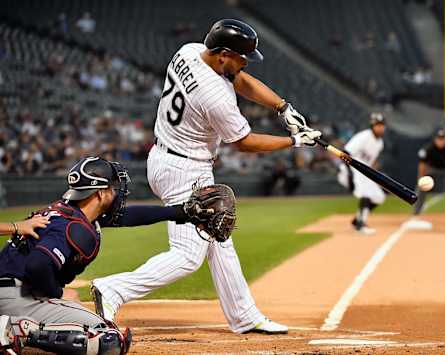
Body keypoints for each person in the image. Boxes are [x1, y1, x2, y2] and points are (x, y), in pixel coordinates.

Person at [91, 18, 322, 335]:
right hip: (186, 171)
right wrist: (293, 141)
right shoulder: (215, 96)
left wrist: (282, 107)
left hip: (166, 157)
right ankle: (114, 289)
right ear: (224, 54)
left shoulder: (191, 51)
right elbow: (243, 142)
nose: (244, 63)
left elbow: (240, 80)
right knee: (188, 256)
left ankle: (244, 316)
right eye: (241, 57)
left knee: (219, 239)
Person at [0, 156, 217, 355]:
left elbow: (129, 216)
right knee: (107, 338)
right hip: (20, 297)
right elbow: (38, 265)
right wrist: (57, 292)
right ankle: (19, 329)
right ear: (101, 193)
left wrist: (182, 213)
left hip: (10, 291)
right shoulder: (75, 227)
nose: (118, 193)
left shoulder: (67, 212)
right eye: (113, 188)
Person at [337, 113, 386, 235]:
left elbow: (371, 162)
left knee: (379, 197)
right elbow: (345, 153)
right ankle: (360, 224)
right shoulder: (363, 136)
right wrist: (350, 174)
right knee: (366, 193)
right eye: (377, 125)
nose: (380, 127)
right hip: (350, 169)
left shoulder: (380, 143)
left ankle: (356, 220)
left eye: (382, 125)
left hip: (364, 172)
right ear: (372, 125)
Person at [413, 128, 445, 216]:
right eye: (439, 139)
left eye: (442, 139)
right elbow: (422, 164)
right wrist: (420, 177)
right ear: (435, 139)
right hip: (431, 169)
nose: (441, 141)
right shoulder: (429, 148)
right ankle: (416, 211)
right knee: (421, 186)